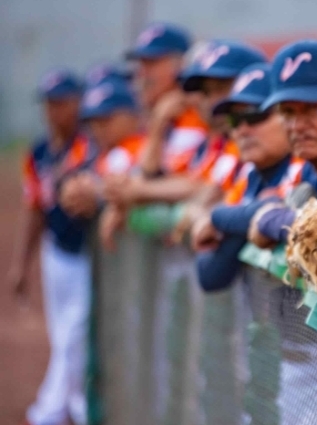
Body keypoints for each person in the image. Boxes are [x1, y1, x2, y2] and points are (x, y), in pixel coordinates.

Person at [7, 70, 93, 425]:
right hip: (55, 250)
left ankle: (55, 409)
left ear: (78, 103)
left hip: (90, 255)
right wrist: (20, 265)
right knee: (63, 333)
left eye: (61, 102)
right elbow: (34, 209)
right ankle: (73, 404)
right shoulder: (40, 152)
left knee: (74, 334)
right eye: (49, 103)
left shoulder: (90, 146)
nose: (54, 111)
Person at [102, 40, 266, 212]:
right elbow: (196, 185)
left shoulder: (251, 135)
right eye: (205, 92)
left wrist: (139, 191)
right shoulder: (219, 141)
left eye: (221, 89)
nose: (209, 102)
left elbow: (205, 189)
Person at [243, 39, 317, 249]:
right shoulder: (305, 169)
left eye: (311, 108)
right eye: (288, 112)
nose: (297, 126)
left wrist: (266, 217)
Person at [189, 62, 301, 291]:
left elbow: (272, 209)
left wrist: (217, 217)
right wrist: (241, 218)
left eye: (254, 115)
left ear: (288, 116)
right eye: (234, 120)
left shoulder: (303, 165)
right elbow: (210, 274)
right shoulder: (251, 176)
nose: (242, 130)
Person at [59, 80, 144, 250]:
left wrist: (96, 193)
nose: (98, 129)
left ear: (131, 114)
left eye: (106, 120)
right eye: (93, 122)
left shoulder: (135, 148)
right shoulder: (103, 153)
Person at [125, 22, 208, 177]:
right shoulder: (153, 117)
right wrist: (157, 123)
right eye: (140, 64)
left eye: (151, 63)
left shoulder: (202, 113)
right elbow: (144, 175)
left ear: (181, 65)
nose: (142, 74)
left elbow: (148, 180)